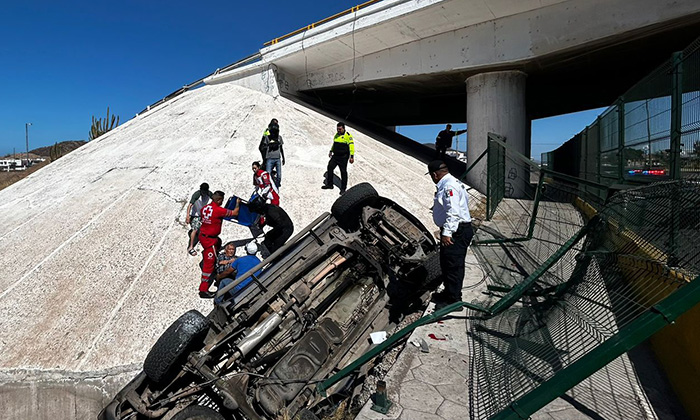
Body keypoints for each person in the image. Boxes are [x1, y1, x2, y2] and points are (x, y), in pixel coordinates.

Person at [427, 160, 473, 310]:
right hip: (457, 229)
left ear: (435, 175)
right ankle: (448, 293)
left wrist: (447, 233)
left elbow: (453, 212)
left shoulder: (448, 186)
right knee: (447, 264)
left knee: (453, 266)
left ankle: (453, 301)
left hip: (456, 231)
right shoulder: (453, 182)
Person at [198, 191, 240, 298]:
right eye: (221, 200)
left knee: (219, 242)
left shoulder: (205, 208)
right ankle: (203, 290)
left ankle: (214, 256)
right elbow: (235, 213)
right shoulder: (218, 210)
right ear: (219, 200)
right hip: (209, 241)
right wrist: (238, 203)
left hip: (204, 236)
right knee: (209, 264)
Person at [321, 122, 354, 195]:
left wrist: (351, 156)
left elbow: (351, 146)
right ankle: (330, 184)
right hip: (335, 156)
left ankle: (343, 188)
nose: (338, 130)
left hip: (343, 157)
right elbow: (334, 144)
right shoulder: (336, 135)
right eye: (337, 129)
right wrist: (331, 150)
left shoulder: (348, 136)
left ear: (343, 128)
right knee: (330, 167)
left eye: (340, 129)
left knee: (343, 172)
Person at [186, 183, 212, 256]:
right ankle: (190, 247)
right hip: (196, 215)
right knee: (195, 229)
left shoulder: (209, 193)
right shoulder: (196, 195)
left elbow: (215, 200)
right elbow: (190, 205)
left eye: (205, 192)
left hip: (203, 214)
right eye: (203, 192)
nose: (204, 193)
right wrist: (188, 216)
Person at [259, 123, 285, 188]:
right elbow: (262, 147)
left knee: (279, 176)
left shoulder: (279, 138)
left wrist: (283, 158)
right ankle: (268, 187)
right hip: (269, 158)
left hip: (277, 158)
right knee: (268, 174)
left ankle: (276, 187)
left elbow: (281, 148)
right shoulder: (267, 137)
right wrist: (269, 145)